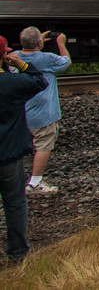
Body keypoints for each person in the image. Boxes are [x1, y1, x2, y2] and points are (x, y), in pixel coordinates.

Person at [1, 35, 49, 262]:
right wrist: (20, 63)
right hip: (9, 156)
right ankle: (18, 253)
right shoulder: (13, 83)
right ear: (4, 55)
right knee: (15, 204)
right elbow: (39, 80)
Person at [16, 27, 71, 195]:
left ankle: (12, 182)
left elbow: (27, 51)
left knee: (17, 148)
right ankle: (34, 183)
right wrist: (61, 43)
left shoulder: (14, 57)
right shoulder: (47, 59)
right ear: (39, 43)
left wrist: (35, 41)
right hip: (43, 115)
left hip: (20, 113)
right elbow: (65, 62)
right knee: (43, 146)